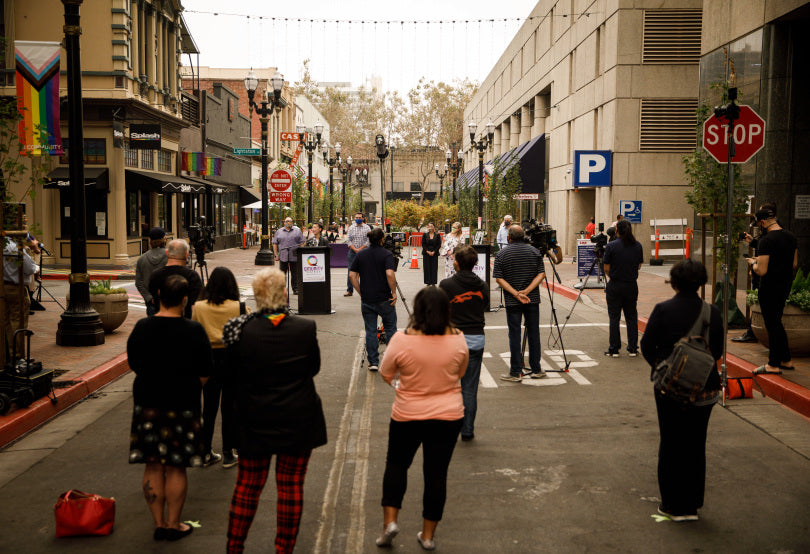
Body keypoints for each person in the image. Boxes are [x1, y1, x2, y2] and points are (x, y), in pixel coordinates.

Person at [223, 267, 327, 554]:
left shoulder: (238, 328)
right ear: (283, 294)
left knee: (247, 485)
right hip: (297, 417)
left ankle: (234, 547)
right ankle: (284, 548)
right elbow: (313, 368)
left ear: (256, 296)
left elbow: (230, 374)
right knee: (291, 486)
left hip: (253, 418)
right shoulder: (305, 328)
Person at [376, 286, 467, 550]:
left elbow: (385, 373)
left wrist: (402, 385)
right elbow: (460, 373)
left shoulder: (402, 339)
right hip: (449, 415)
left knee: (396, 466)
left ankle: (389, 524)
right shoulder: (458, 338)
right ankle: (427, 536)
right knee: (436, 474)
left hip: (408, 414)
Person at [127, 274, 213, 542]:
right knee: (176, 466)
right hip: (183, 403)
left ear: (159, 297)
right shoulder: (194, 331)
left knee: (153, 464)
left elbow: (134, 363)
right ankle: (174, 524)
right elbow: (205, 371)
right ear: (185, 300)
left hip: (148, 403)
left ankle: (159, 522)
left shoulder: (142, 327)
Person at [640, 260, 722, 522]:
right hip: (705, 387)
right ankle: (692, 505)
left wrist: (663, 368)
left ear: (673, 282)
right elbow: (716, 351)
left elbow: (647, 345)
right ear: (701, 283)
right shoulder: (712, 312)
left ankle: (672, 505)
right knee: (696, 444)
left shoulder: (663, 309)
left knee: (671, 442)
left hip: (670, 388)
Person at [191, 267, 247, 469]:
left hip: (208, 360)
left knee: (209, 407)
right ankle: (228, 452)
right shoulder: (238, 307)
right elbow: (246, 333)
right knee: (230, 407)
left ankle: (205, 451)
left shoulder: (198, 307)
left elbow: (194, 333)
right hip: (232, 359)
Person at [439, 245, 488, 441]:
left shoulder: (446, 285)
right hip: (476, 339)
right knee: (469, 387)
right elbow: (483, 307)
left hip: (452, 340)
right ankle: (467, 430)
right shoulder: (482, 286)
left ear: (456, 263)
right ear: (475, 264)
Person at [748, 206, 798, 375]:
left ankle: (773, 364)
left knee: (772, 324)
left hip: (769, 287)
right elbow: (794, 264)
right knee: (777, 322)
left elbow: (761, 270)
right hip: (785, 285)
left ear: (762, 222)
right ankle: (786, 360)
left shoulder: (766, 241)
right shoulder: (791, 237)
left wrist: (753, 263)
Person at [493, 225, 547, 381]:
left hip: (512, 300)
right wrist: (527, 291)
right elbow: (541, 274)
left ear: (509, 237)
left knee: (514, 334)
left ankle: (515, 371)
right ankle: (536, 368)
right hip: (532, 299)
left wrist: (516, 293)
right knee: (534, 333)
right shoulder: (534, 252)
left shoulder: (502, 254)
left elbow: (499, 278)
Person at [349, 227, 398, 372]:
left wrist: (360, 292)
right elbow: (390, 273)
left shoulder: (361, 254)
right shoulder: (386, 254)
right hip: (384, 298)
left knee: (370, 330)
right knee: (390, 328)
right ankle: (391, 361)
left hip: (368, 299)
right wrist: (393, 292)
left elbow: (352, 275)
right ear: (382, 239)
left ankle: (373, 362)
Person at [734, 202, 777, 343]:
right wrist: (752, 242)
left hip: (765, 274)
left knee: (765, 307)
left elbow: (768, 250)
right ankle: (753, 331)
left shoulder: (771, 233)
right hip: (763, 271)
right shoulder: (770, 232)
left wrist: (754, 265)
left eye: (760, 216)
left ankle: (755, 332)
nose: (758, 221)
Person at [602, 220, 644, 357]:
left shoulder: (611, 246)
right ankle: (632, 348)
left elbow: (606, 268)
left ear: (617, 231)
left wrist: (613, 274)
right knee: (631, 316)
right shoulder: (637, 246)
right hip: (631, 285)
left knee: (614, 317)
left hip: (615, 284)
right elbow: (639, 266)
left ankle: (614, 348)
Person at [3, 236, 39, 359]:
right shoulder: (15, 247)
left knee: (6, 321)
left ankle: (7, 354)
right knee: (17, 322)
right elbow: (29, 268)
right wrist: (36, 264)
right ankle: (17, 356)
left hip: (3, 287)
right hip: (16, 287)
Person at [148, 239, 202, 319]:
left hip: (159, 324)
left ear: (167, 253)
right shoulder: (193, 277)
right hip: (184, 324)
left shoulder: (155, 276)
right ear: (186, 255)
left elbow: (153, 298)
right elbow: (194, 305)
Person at [135, 227, 168, 316]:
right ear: (164, 239)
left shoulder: (142, 259)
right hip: (169, 301)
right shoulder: (171, 256)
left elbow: (138, 282)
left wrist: (148, 297)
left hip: (151, 302)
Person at [272, 217, 305, 295]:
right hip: (283, 256)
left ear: (292, 223)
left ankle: (295, 289)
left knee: (295, 274)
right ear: (284, 222)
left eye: (290, 221)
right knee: (282, 274)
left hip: (295, 256)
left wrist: (301, 254)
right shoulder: (279, 232)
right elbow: (274, 243)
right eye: (287, 221)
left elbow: (302, 243)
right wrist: (276, 255)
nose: (288, 223)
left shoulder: (297, 231)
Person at [345, 212, 371, 297]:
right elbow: (348, 240)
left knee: (365, 271)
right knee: (350, 271)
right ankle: (349, 290)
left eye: (359, 217)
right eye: (356, 217)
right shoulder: (351, 227)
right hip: (353, 252)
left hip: (364, 252)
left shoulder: (367, 228)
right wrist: (355, 249)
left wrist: (360, 249)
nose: (358, 218)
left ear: (363, 218)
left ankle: (365, 290)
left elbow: (369, 240)